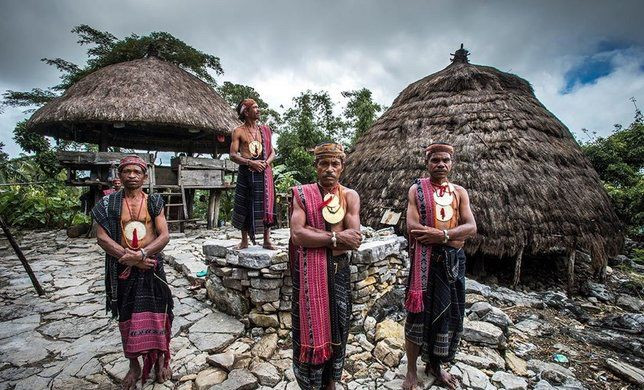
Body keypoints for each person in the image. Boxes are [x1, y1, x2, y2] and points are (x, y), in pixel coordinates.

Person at [91, 155, 173, 389]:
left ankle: (159, 359)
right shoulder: (109, 204)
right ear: (120, 175)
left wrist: (143, 255)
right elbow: (102, 237)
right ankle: (134, 365)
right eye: (127, 172)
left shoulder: (154, 202)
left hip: (150, 267)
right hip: (123, 268)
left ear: (145, 176)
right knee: (126, 317)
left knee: (159, 315)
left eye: (137, 172)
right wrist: (130, 259)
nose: (132, 176)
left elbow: (164, 234)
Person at [402, 142, 477, 390]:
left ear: (451, 163)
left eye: (445, 160)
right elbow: (413, 226)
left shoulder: (459, 193)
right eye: (435, 160)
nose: (441, 164)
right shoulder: (417, 190)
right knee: (418, 314)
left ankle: (436, 365)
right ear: (427, 163)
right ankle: (411, 371)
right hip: (425, 264)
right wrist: (452, 236)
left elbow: (471, 228)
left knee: (447, 316)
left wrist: (442, 237)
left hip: (452, 264)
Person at [289, 142, 362, 390]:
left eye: (335, 164)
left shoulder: (350, 196)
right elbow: (298, 235)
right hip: (309, 275)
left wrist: (316, 236)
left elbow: (353, 239)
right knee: (308, 327)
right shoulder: (302, 195)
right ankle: (310, 384)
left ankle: (331, 382)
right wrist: (335, 238)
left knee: (338, 328)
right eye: (324, 163)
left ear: (342, 167)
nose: (329, 169)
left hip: (338, 272)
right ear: (315, 166)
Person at [230, 98, 276, 249]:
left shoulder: (265, 130)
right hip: (247, 171)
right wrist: (251, 163)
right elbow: (233, 155)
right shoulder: (238, 131)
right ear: (246, 112)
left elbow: (272, 152)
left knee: (266, 204)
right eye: (255, 108)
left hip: (263, 171)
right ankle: (244, 241)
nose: (258, 110)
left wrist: (265, 163)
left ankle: (267, 240)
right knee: (244, 205)